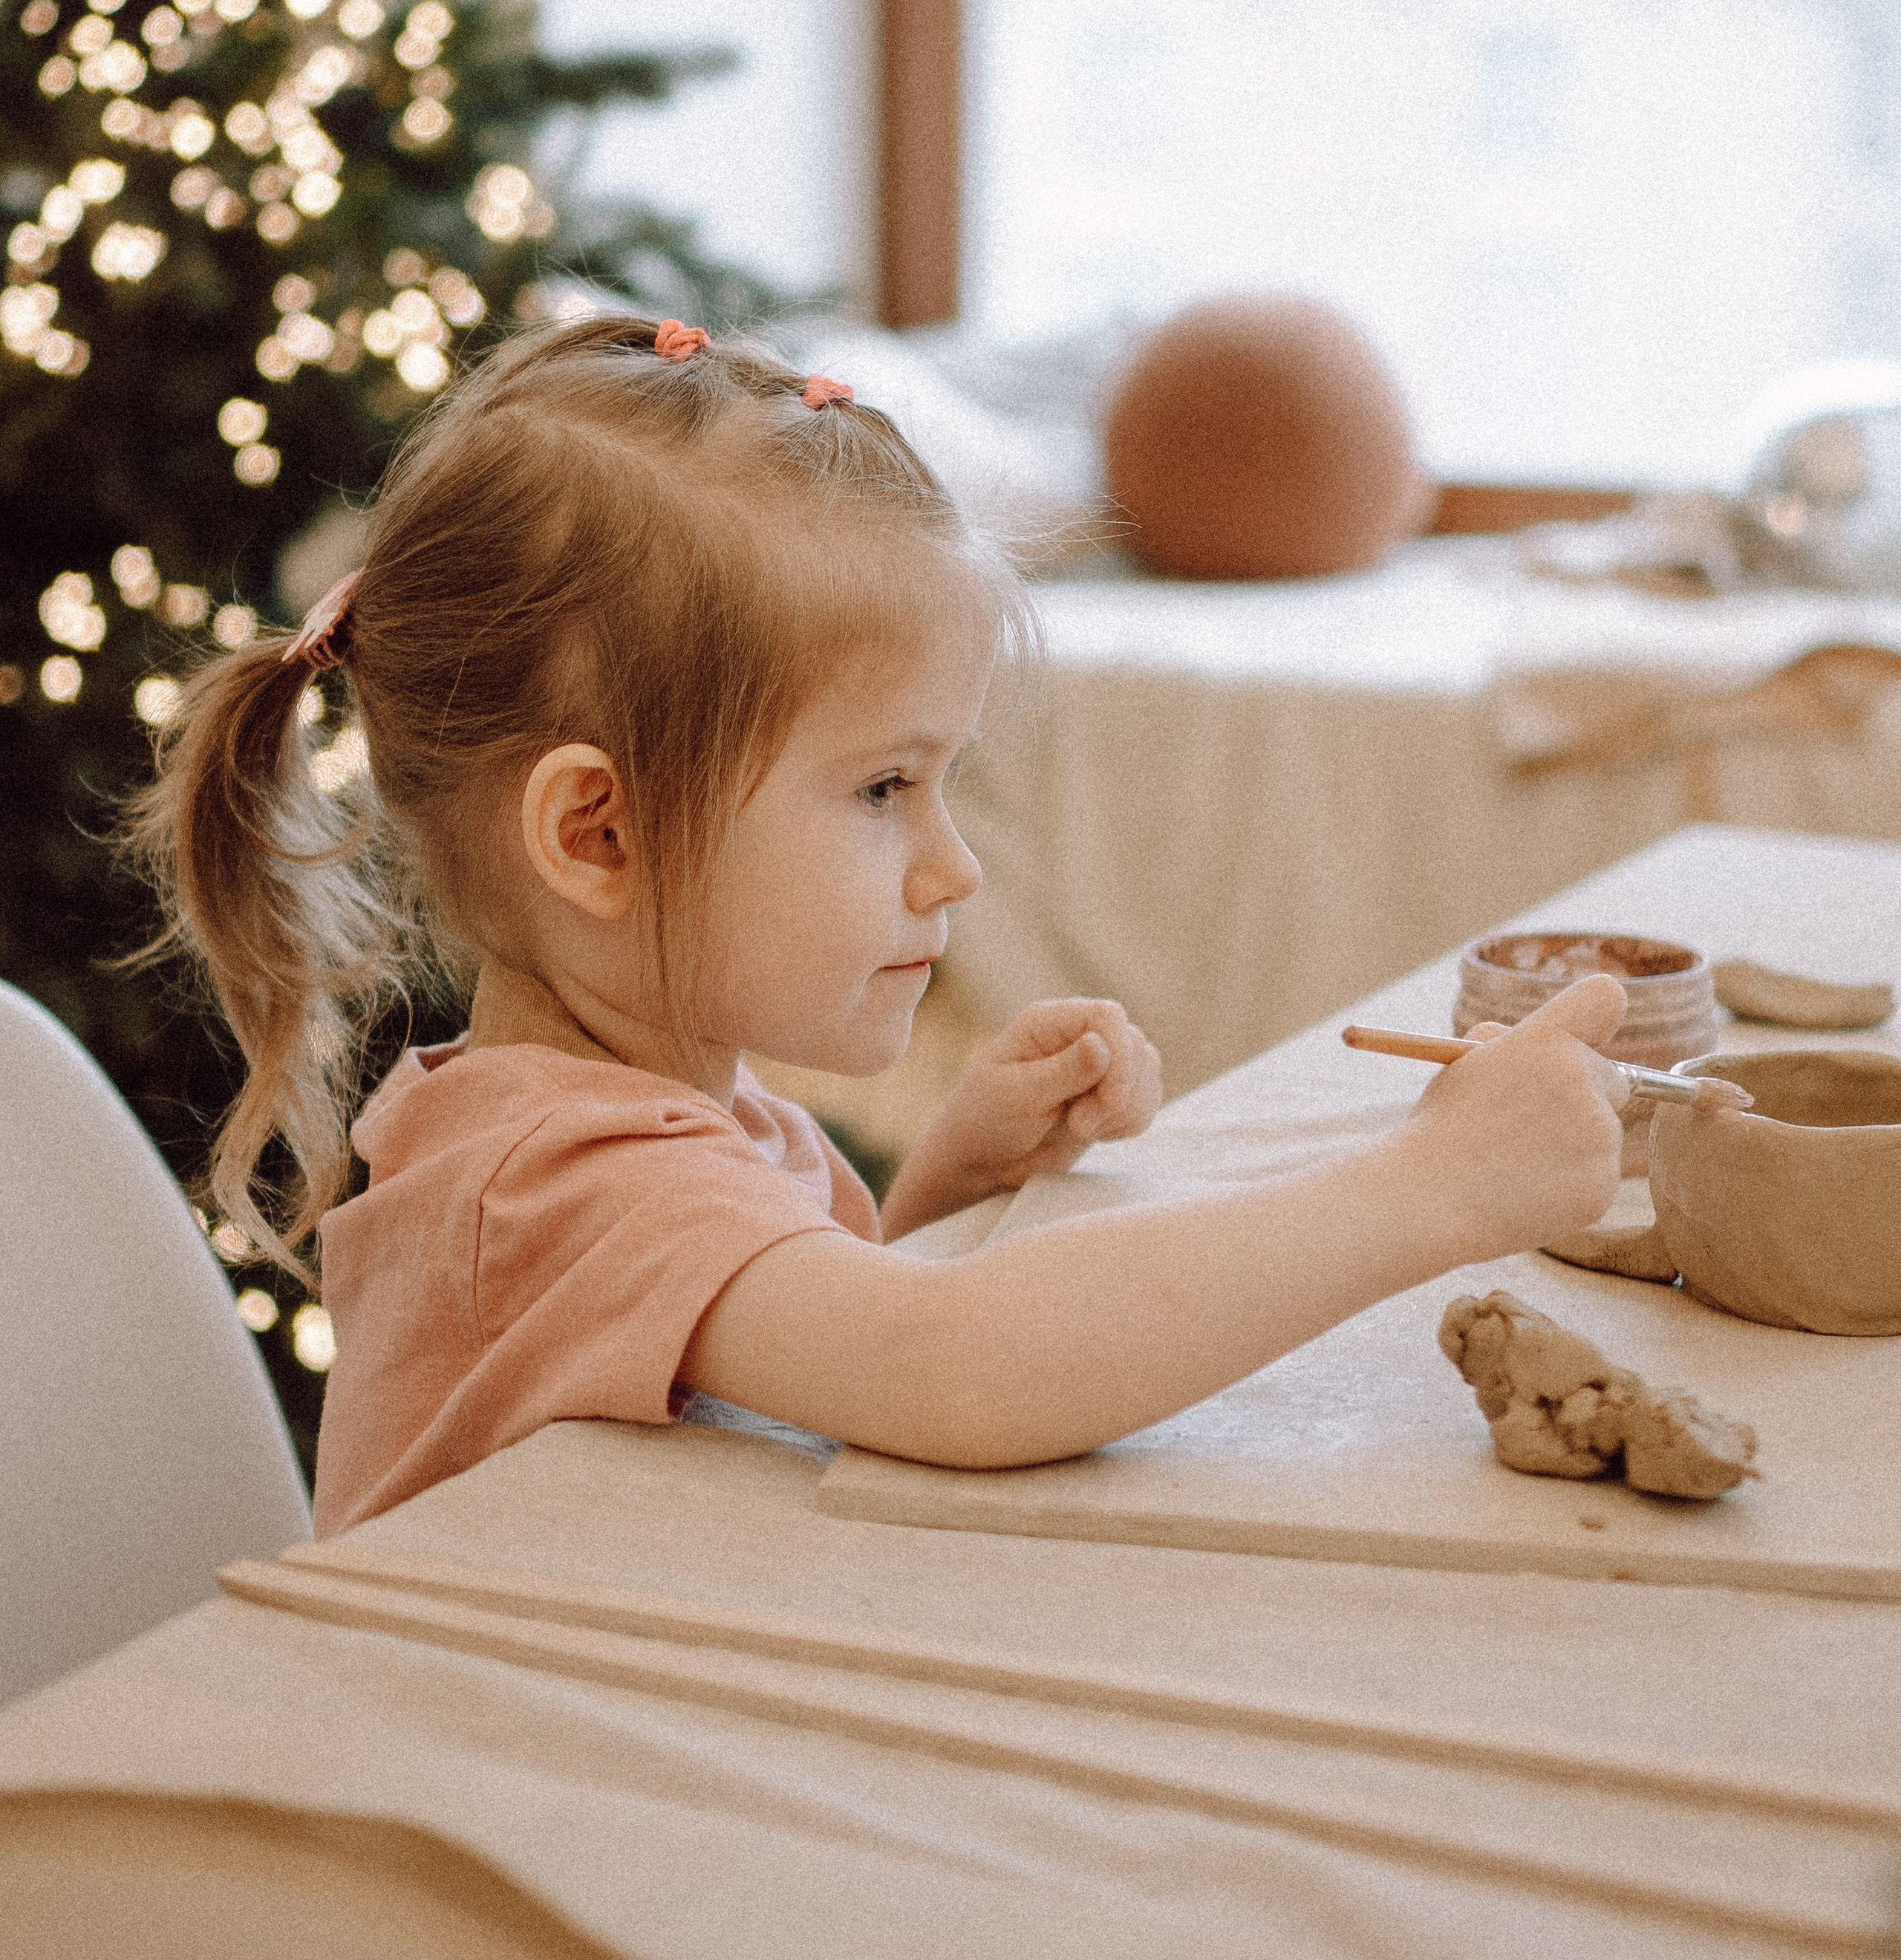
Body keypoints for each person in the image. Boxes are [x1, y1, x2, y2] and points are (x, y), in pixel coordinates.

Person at [130, 313, 1629, 1535]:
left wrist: (936, 1186)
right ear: (601, 834)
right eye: (881, 790)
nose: (951, 867)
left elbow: (755, 1385)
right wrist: (1432, 1189)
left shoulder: (659, 1122)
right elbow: (957, 1374)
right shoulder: (548, 1178)